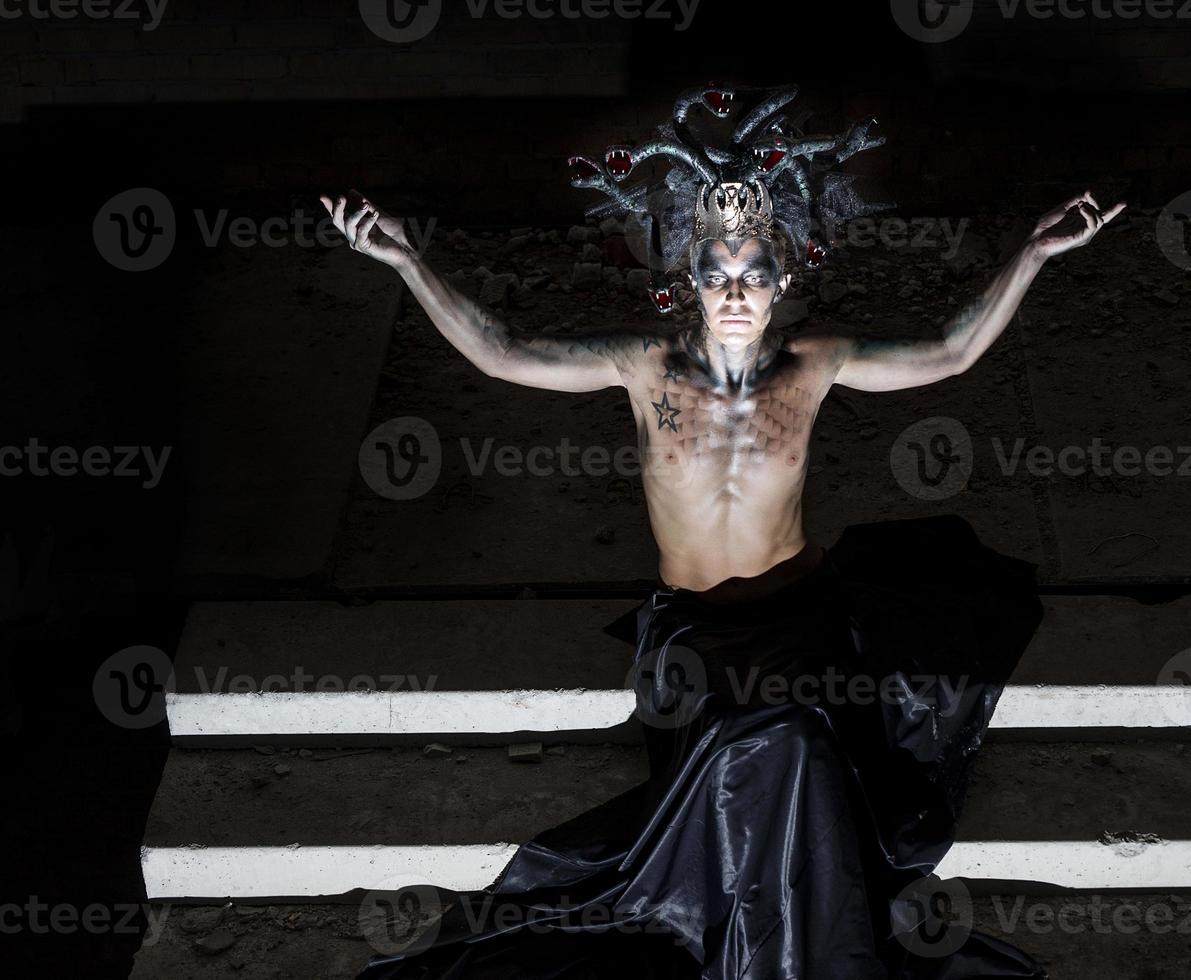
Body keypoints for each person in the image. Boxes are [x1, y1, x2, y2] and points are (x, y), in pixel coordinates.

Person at [322, 83, 1123, 979]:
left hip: (806, 623)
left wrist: (1032, 255)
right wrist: (406, 264)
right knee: (754, 748)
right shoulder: (644, 368)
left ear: (782, 281)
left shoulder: (815, 365)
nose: (735, 293)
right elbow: (503, 348)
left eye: (752, 275)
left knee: (805, 744)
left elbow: (949, 349)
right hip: (695, 638)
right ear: (689, 279)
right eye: (716, 274)